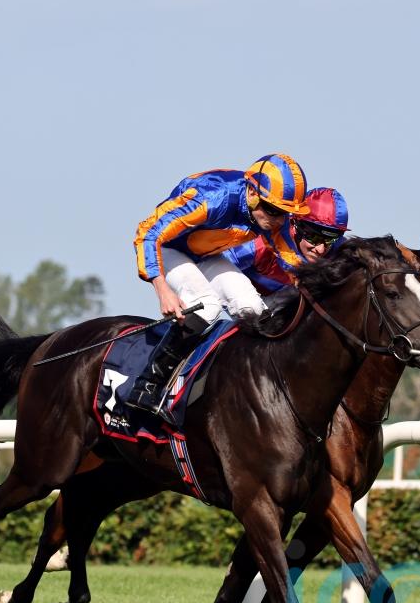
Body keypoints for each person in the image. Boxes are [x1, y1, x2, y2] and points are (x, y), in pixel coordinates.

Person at [128, 153, 310, 417]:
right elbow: (147, 232)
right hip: (167, 249)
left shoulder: (271, 217)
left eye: (286, 214)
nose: (279, 220)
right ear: (252, 193)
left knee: (253, 308)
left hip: (205, 255)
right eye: (273, 210)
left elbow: (293, 262)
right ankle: (147, 386)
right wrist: (162, 289)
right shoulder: (213, 198)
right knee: (207, 305)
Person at [226, 186, 350, 295]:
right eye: (314, 238)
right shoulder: (260, 243)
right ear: (295, 225)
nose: (320, 249)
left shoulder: (341, 252)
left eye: (329, 241)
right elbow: (220, 271)